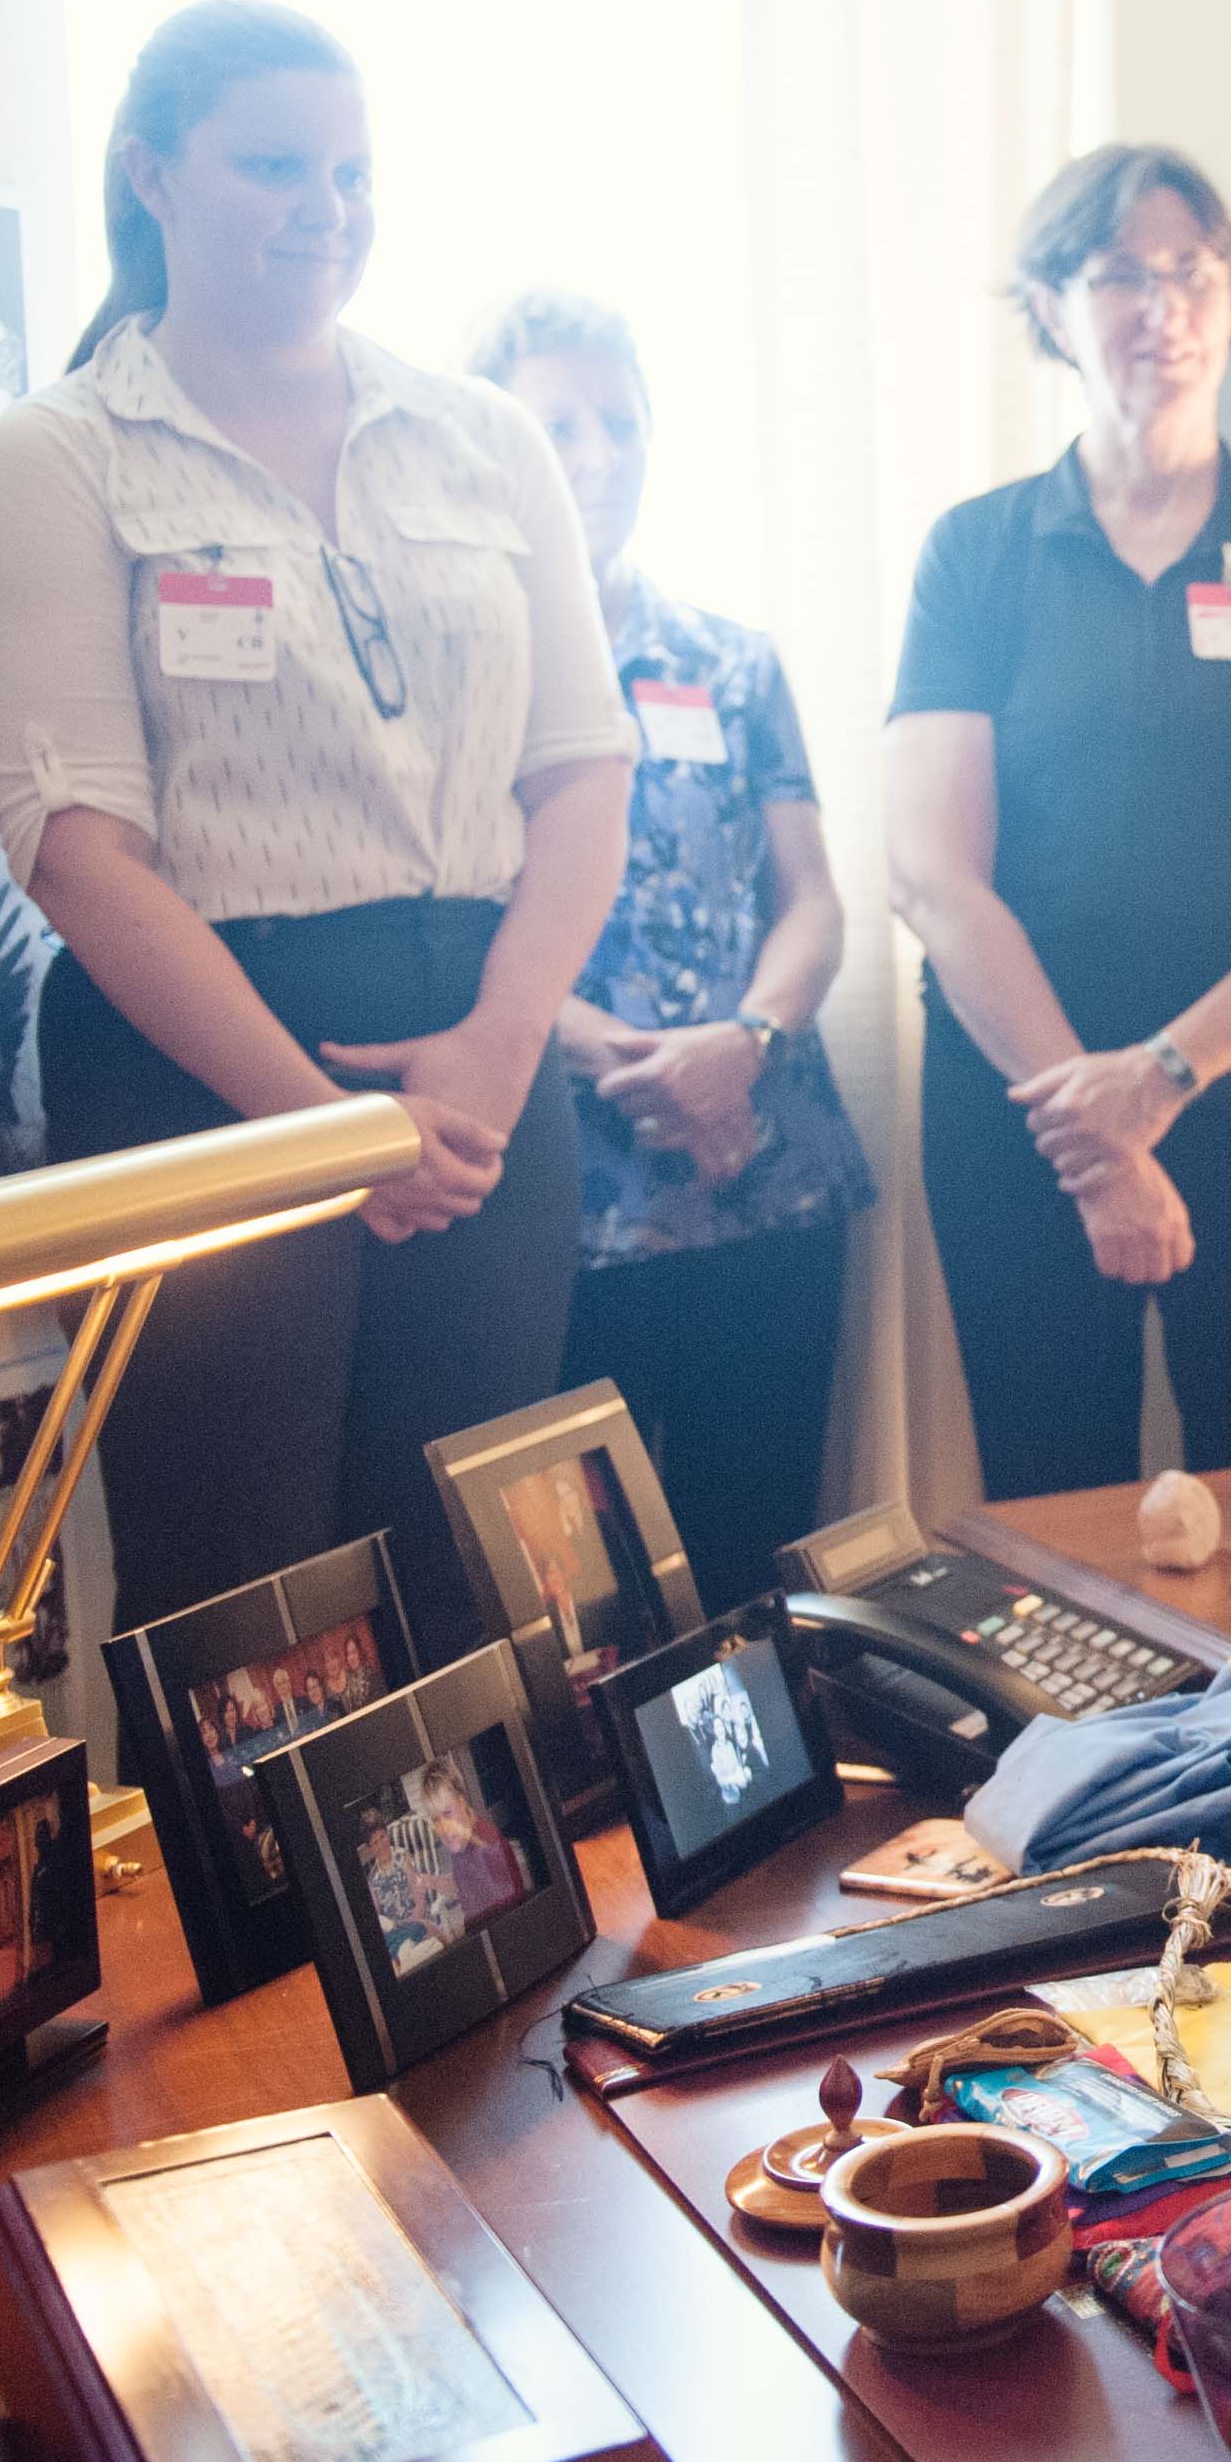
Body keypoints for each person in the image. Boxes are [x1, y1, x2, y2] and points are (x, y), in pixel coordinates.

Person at [0, 1, 634, 1662]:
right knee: (238, 1589)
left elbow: (582, 772)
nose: (325, 205)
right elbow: (79, 853)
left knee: (478, 1562)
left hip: (480, 1047)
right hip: (197, 1076)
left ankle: (490, 1930)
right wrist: (325, 1131)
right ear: (151, 177)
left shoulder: (486, 438)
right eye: (274, 165)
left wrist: (490, 1047)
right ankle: (258, 1940)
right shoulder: (57, 458)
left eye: (350, 170)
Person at [886, 144, 1231, 1496]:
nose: (1160, 305)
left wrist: (1159, 1076)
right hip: (1023, 1105)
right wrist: (1094, 1130)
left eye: (1191, 271)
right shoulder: (974, 552)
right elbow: (935, 877)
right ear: (1051, 307)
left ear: (1230, 301)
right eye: (1118, 271)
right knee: (1055, 1495)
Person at [465, 289, 875, 1603]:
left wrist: (740, 1048)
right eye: (559, 425)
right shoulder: (462, 667)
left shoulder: (731, 662)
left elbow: (812, 897)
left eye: (621, 425)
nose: (596, 456)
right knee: (580, 1599)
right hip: (567, 1190)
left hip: (764, 1169)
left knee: (765, 1557)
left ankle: (792, 1815)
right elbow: (459, 915)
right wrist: (628, 1061)